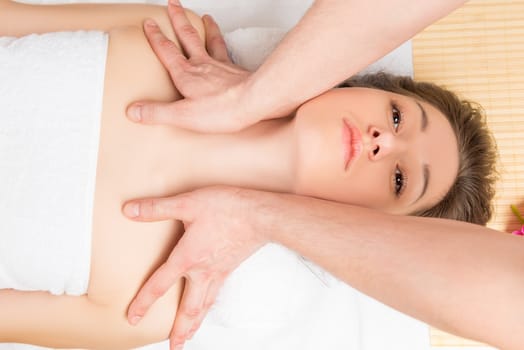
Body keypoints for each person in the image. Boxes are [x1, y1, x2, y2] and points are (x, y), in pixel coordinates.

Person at [0, 0, 497, 349]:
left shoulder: (154, 300)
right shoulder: (173, 38)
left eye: (399, 179)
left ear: (367, 229)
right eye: (396, 117)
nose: (383, 142)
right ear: (360, 82)